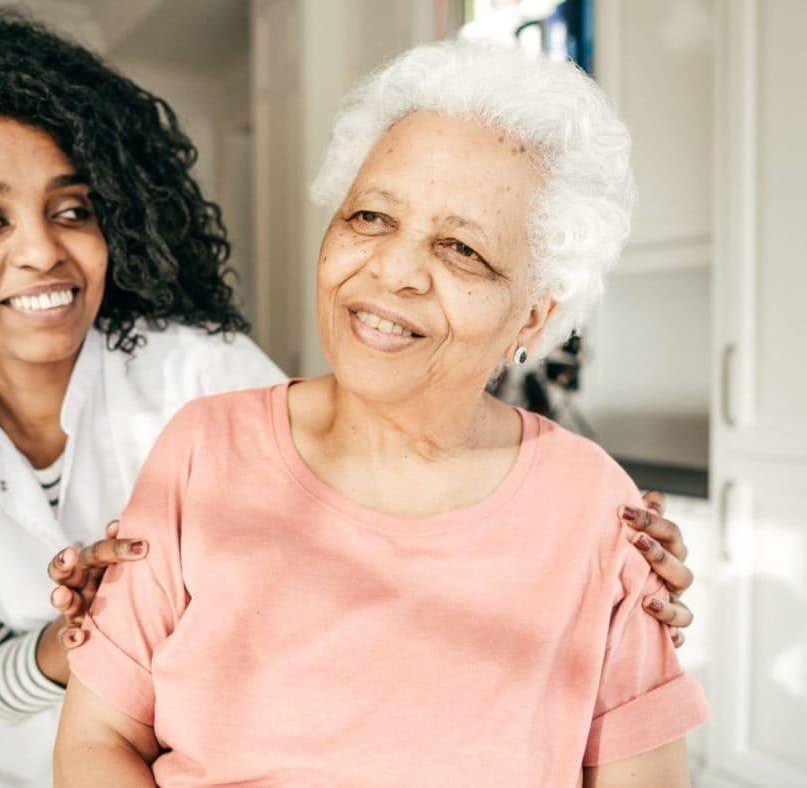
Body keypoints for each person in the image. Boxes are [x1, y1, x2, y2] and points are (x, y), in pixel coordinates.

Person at [54, 41, 709, 787]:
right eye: (370, 216)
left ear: (533, 316)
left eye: (461, 249)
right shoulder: (203, 448)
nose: (393, 270)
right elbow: (98, 740)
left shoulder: (594, 506)